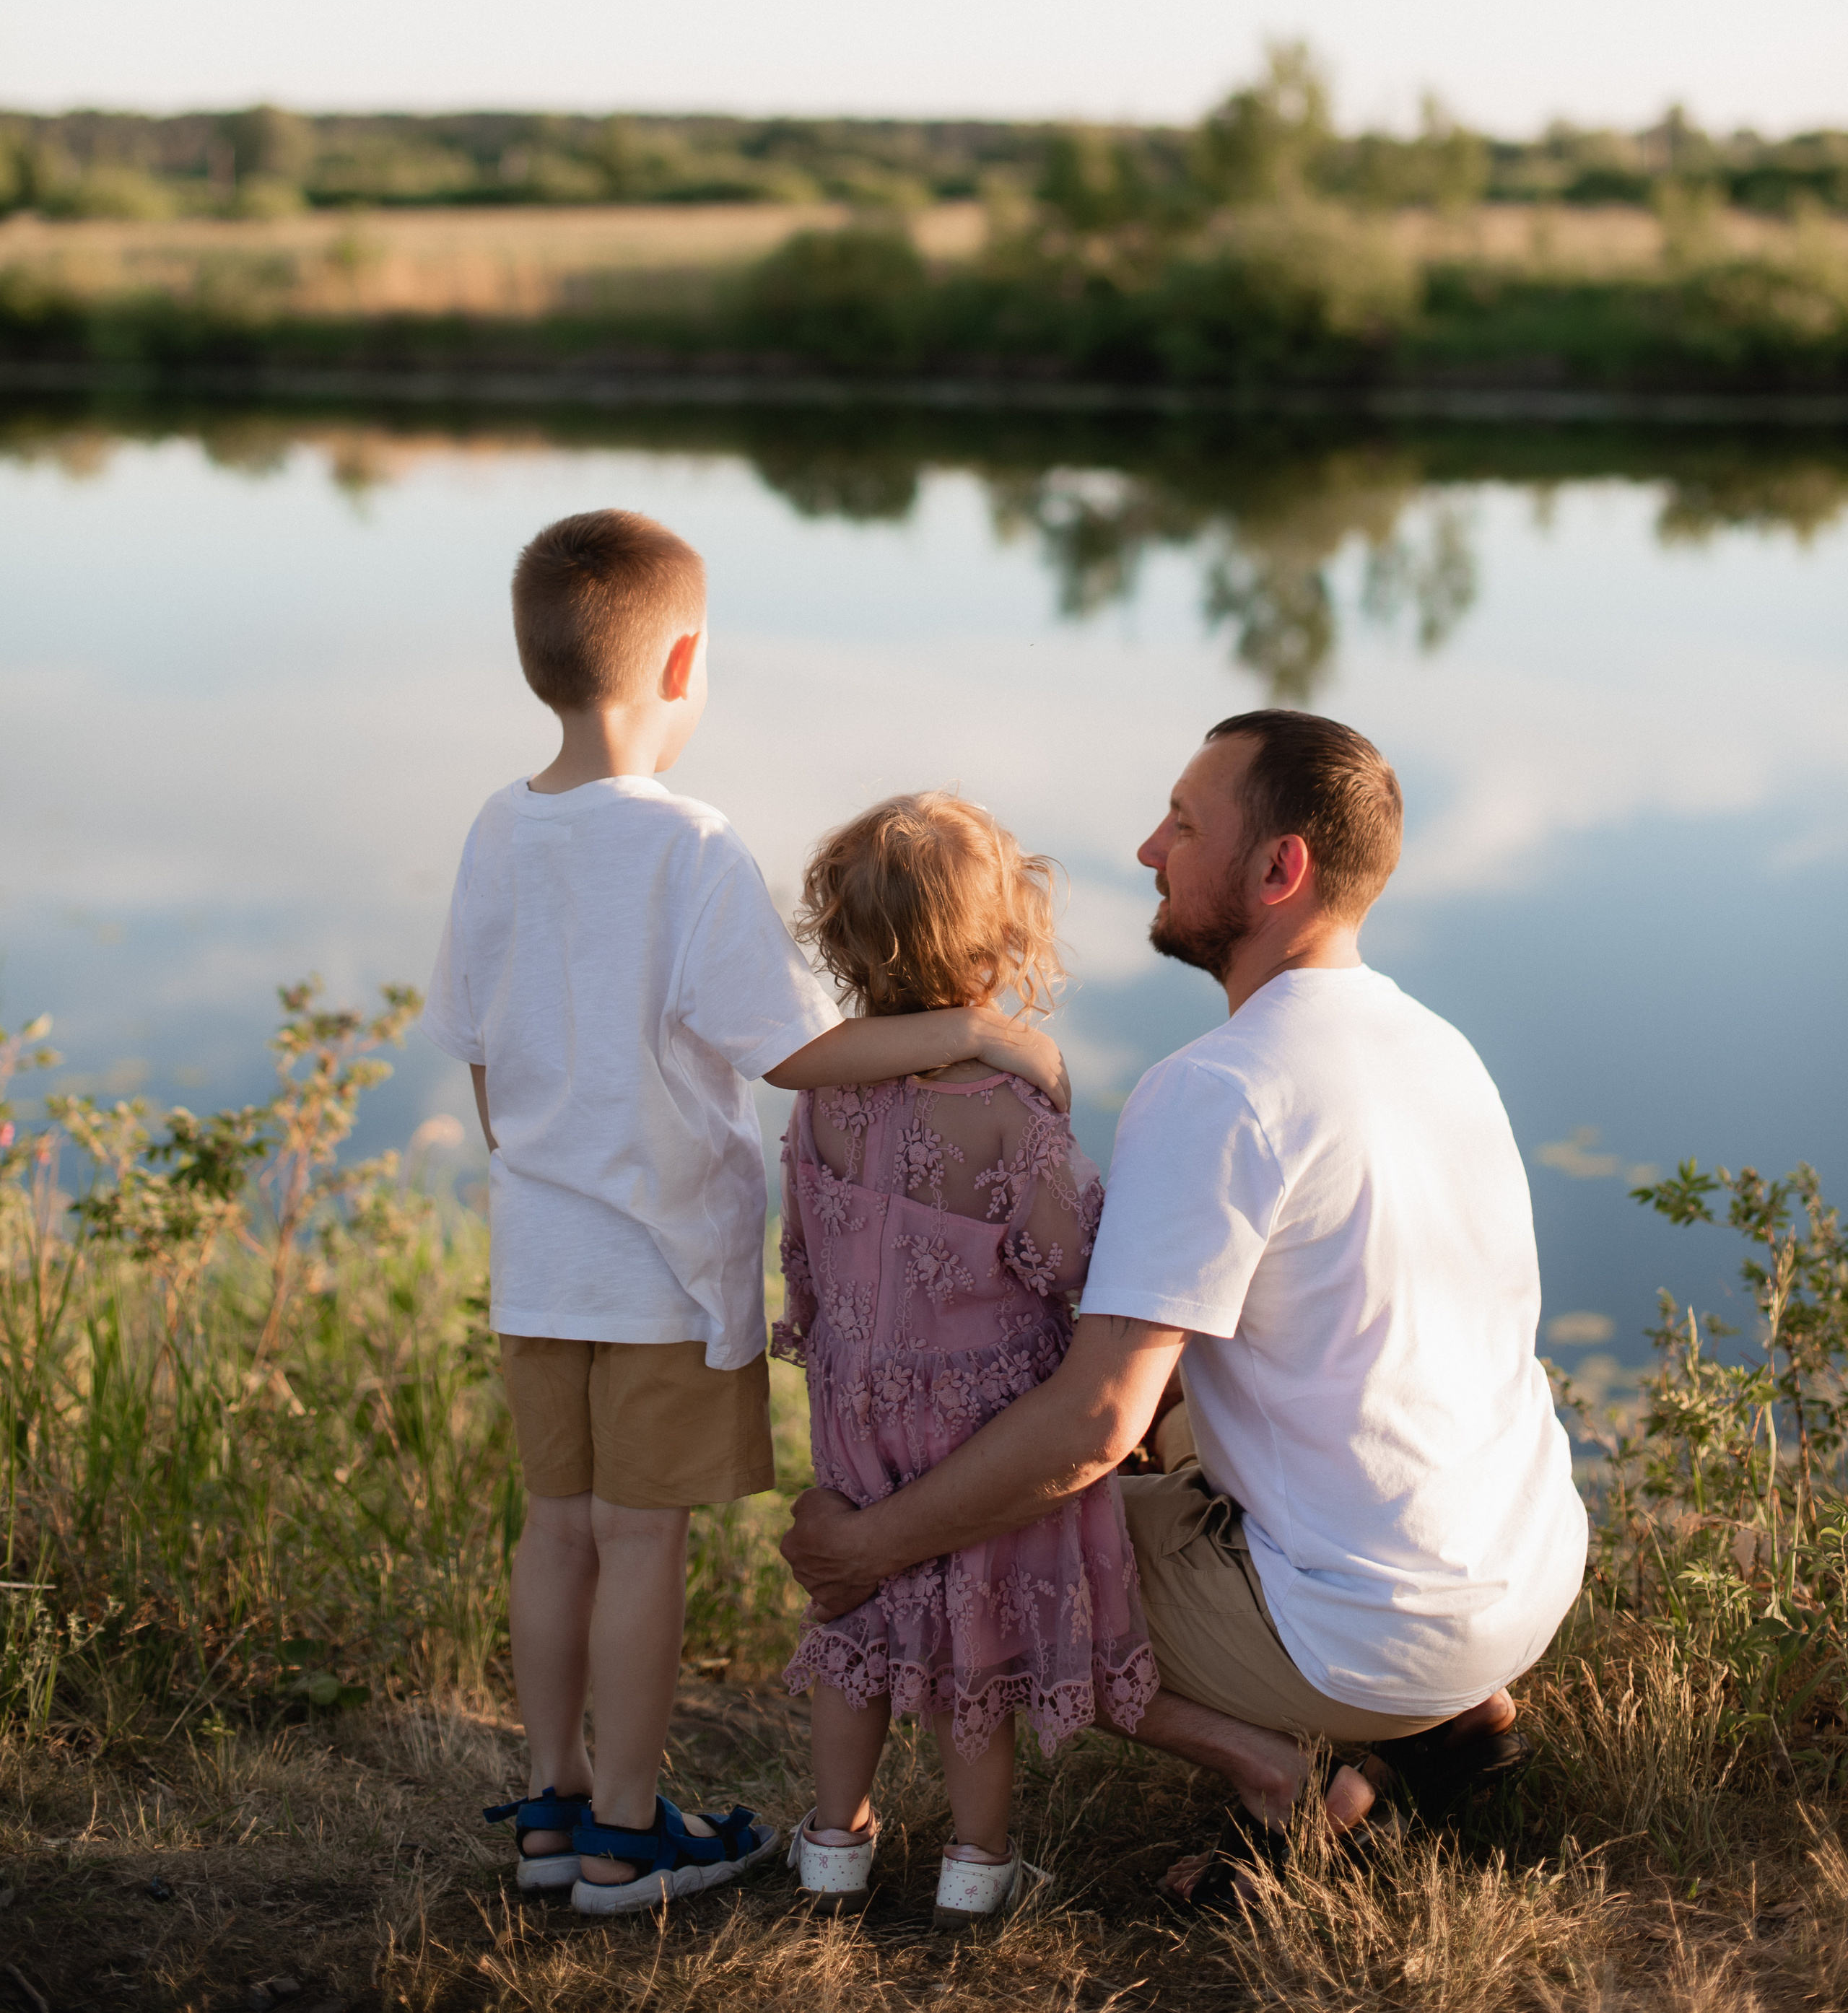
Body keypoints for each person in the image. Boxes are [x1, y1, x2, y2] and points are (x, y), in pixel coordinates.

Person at [783, 709, 1588, 1913]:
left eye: (1184, 822)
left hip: (1375, 1623)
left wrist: (870, 1541)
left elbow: (1088, 1430)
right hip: (1518, 1573)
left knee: (1005, 1558)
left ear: (1281, 870)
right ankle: (1453, 1720)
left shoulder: (1218, 1089)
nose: (1149, 847)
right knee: (1191, 1380)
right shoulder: (1436, 1045)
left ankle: (1283, 1779)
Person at [421, 509, 1069, 1916]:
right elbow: (790, 1049)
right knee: (640, 1540)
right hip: (656, 1268)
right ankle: (625, 1833)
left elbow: (478, 1057)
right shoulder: (689, 844)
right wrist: (978, 1030)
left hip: (538, 1260)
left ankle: (547, 1805)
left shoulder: (495, 827)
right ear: (683, 662)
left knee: (555, 1530)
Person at [774, 792, 1157, 1931]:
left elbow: (801, 1237)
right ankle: (974, 1867)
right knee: (971, 1649)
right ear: (1007, 941)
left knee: (858, 1630)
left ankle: (833, 1851)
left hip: (861, 1408)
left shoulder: (824, 1097)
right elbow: (1070, 1257)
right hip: (981, 1428)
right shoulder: (1012, 1110)